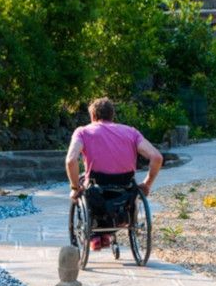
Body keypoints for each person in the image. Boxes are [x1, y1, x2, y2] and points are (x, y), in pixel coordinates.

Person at [65, 97, 163, 250]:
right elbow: (157, 157)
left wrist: (74, 188)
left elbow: (71, 160)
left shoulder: (83, 132)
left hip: (97, 188)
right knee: (119, 197)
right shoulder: (131, 132)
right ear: (112, 116)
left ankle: (96, 236)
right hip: (126, 188)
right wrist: (147, 184)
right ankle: (106, 234)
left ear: (92, 117)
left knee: (82, 186)